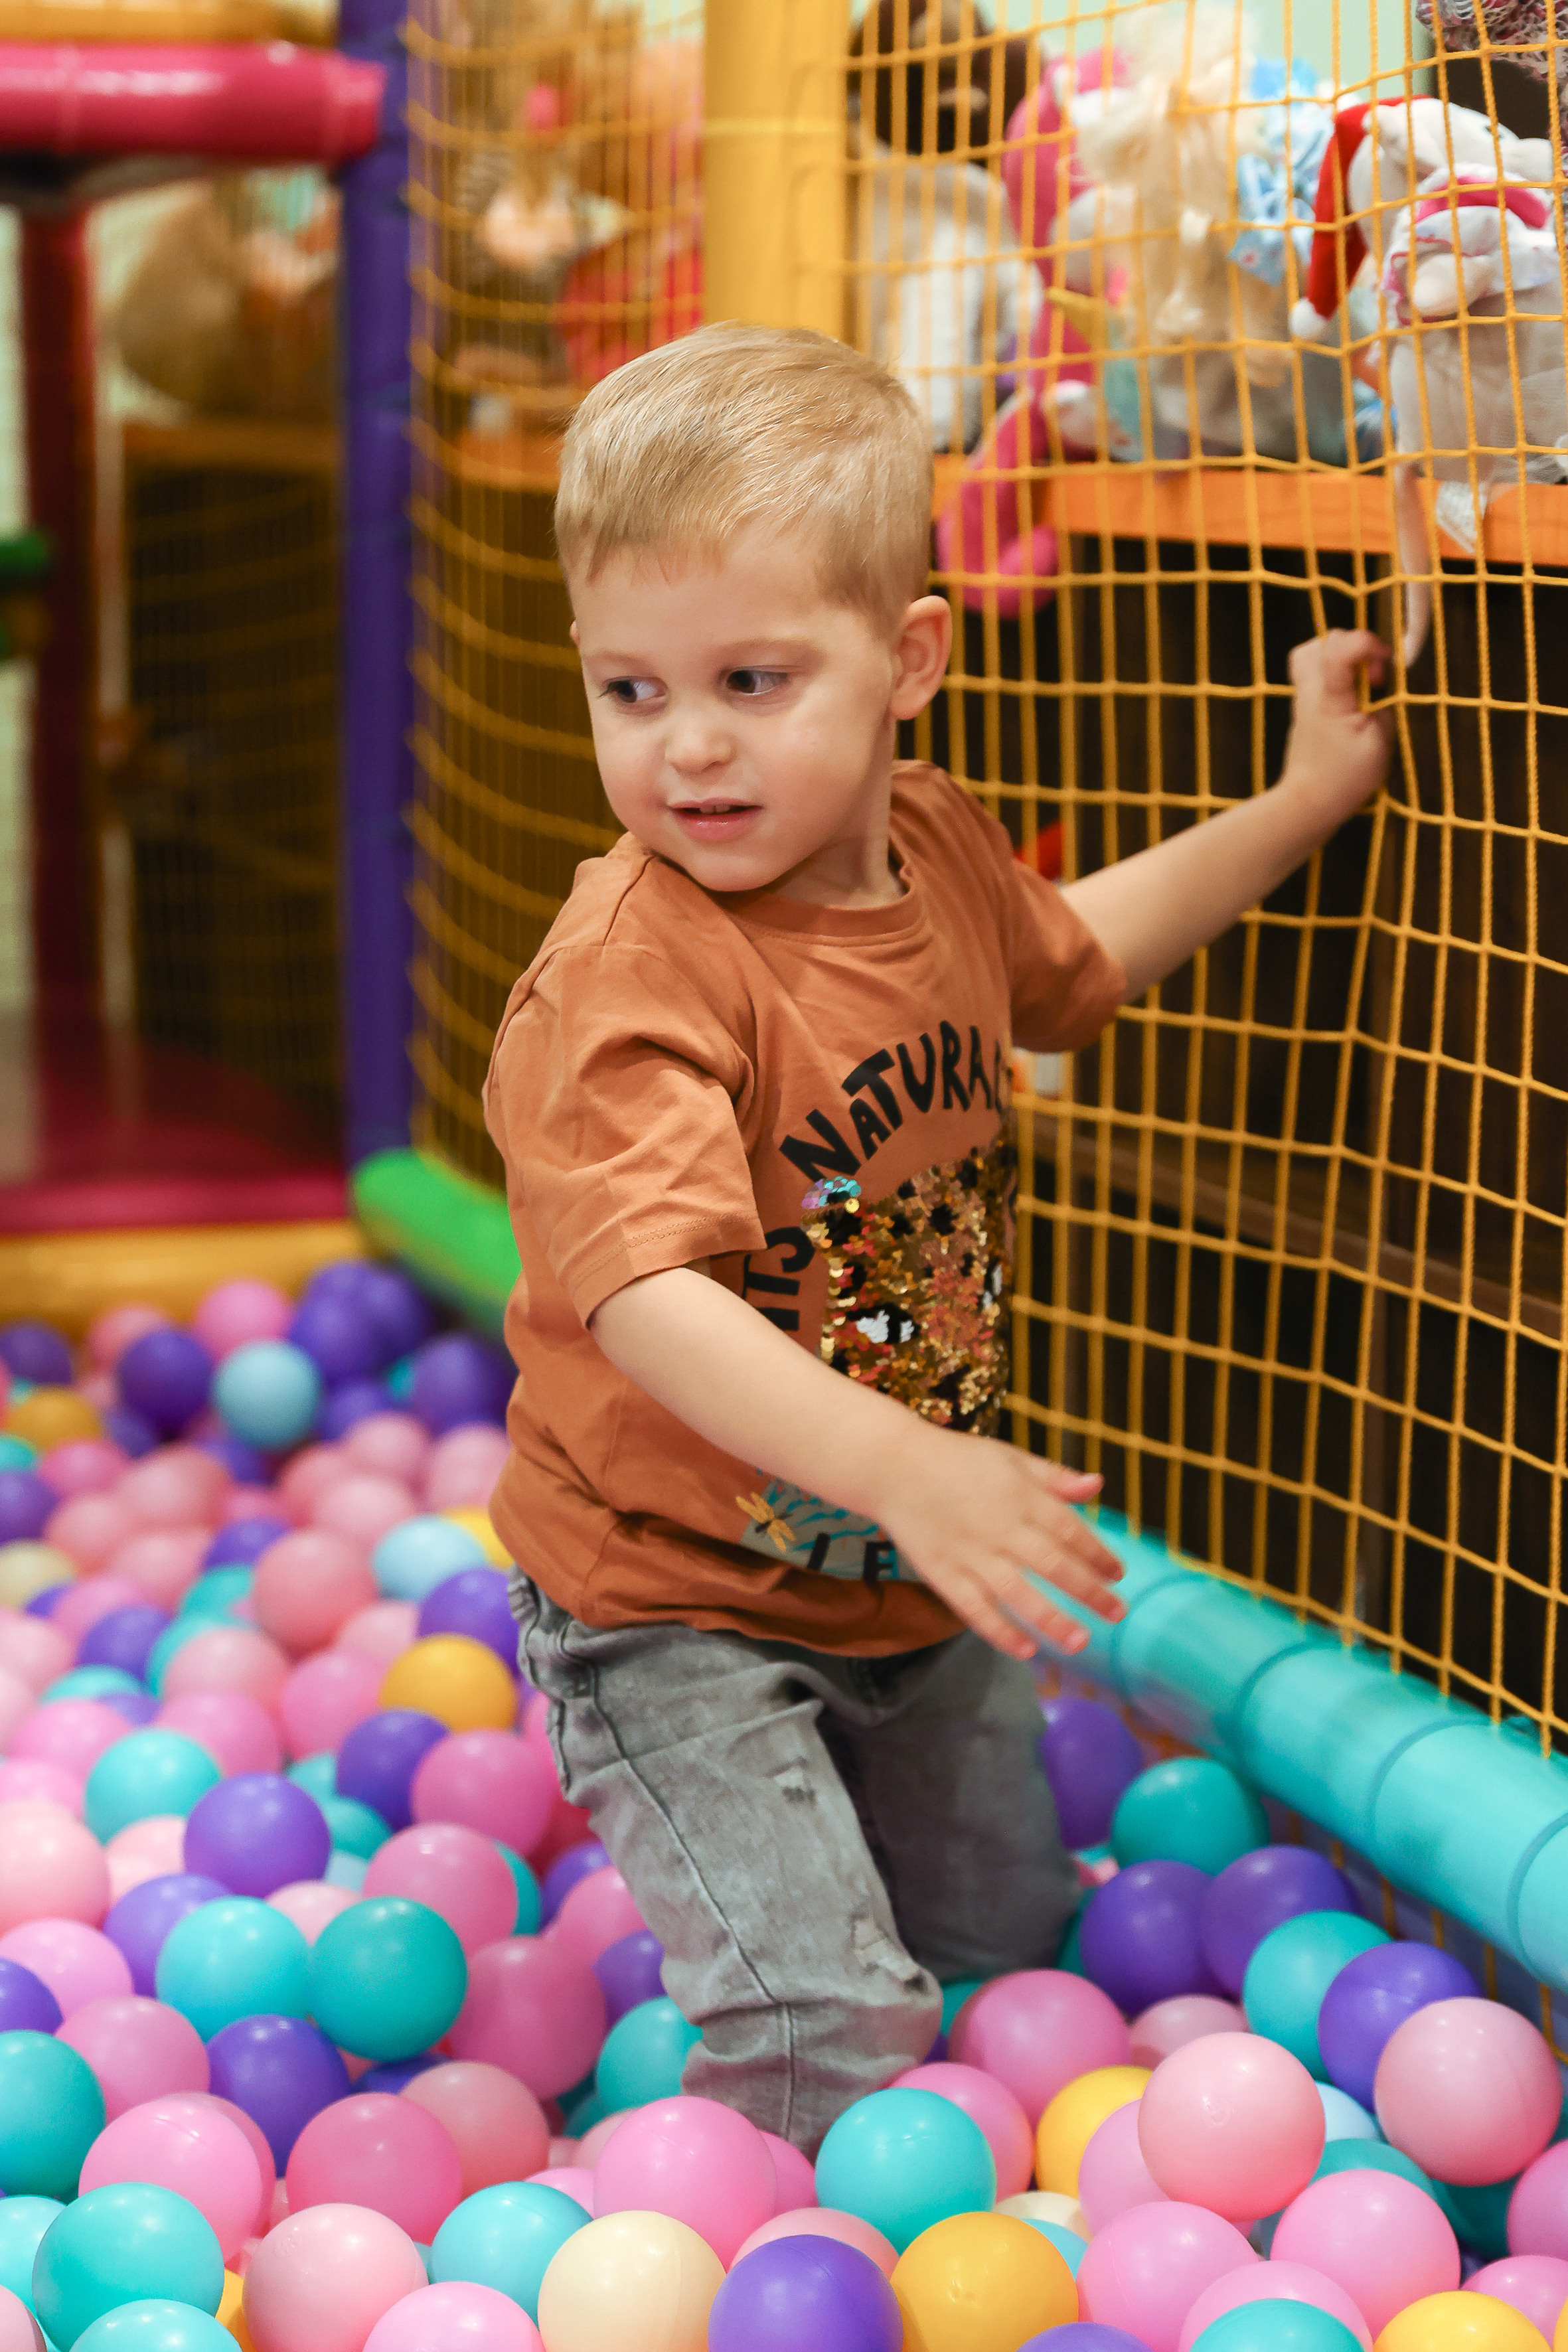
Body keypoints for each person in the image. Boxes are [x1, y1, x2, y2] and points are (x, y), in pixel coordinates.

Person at [483, 322, 1391, 2154]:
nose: (689, 749)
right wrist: (909, 1464)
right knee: (837, 2023)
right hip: (670, 1596)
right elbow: (647, 1295)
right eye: (631, 693)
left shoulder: (937, 849)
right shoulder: (629, 977)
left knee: (1008, 1950)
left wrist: (1300, 805)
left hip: (904, 1568)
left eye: (750, 677)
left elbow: (1077, 957)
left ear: (907, 665)